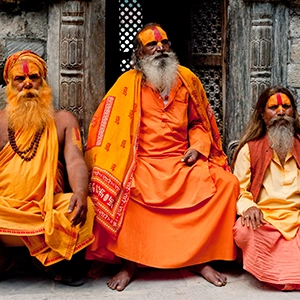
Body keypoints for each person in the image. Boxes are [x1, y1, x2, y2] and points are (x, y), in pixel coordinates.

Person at [85, 23, 239, 291]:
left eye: (164, 43)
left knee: (227, 184)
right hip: (143, 163)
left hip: (182, 162)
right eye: (151, 45)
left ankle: (199, 258)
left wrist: (198, 147)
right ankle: (131, 263)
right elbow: (105, 125)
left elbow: (199, 123)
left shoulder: (187, 79)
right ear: (139, 53)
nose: (160, 49)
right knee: (121, 189)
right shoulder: (127, 84)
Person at [0, 50, 95, 286]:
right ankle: (30, 258)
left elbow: (75, 161)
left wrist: (81, 194)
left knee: (86, 208)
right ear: (9, 86)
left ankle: (42, 258)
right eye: (19, 79)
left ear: (44, 83)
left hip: (47, 208)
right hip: (6, 210)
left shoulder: (63, 120)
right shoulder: (0, 123)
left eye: (34, 77)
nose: (27, 84)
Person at [232, 86, 300, 291]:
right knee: (243, 231)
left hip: (297, 220)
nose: (280, 111)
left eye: (286, 107)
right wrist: (249, 208)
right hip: (265, 221)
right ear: (262, 114)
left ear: (293, 113)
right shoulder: (249, 149)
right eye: (273, 107)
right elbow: (238, 190)